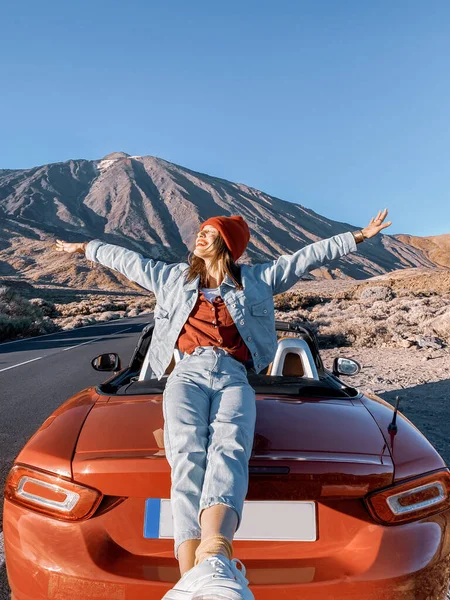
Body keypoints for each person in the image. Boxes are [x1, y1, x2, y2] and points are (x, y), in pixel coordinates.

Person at [55, 209, 391, 600]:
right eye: (199, 231)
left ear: (227, 244)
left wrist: (359, 236)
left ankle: (215, 554)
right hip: (185, 374)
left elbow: (307, 257)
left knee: (230, 447)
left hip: (235, 374)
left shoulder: (258, 280)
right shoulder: (172, 278)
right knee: (186, 455)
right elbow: (127, 260)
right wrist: (85, 247)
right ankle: (191, 577)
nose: (198, 237)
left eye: (208, 232)